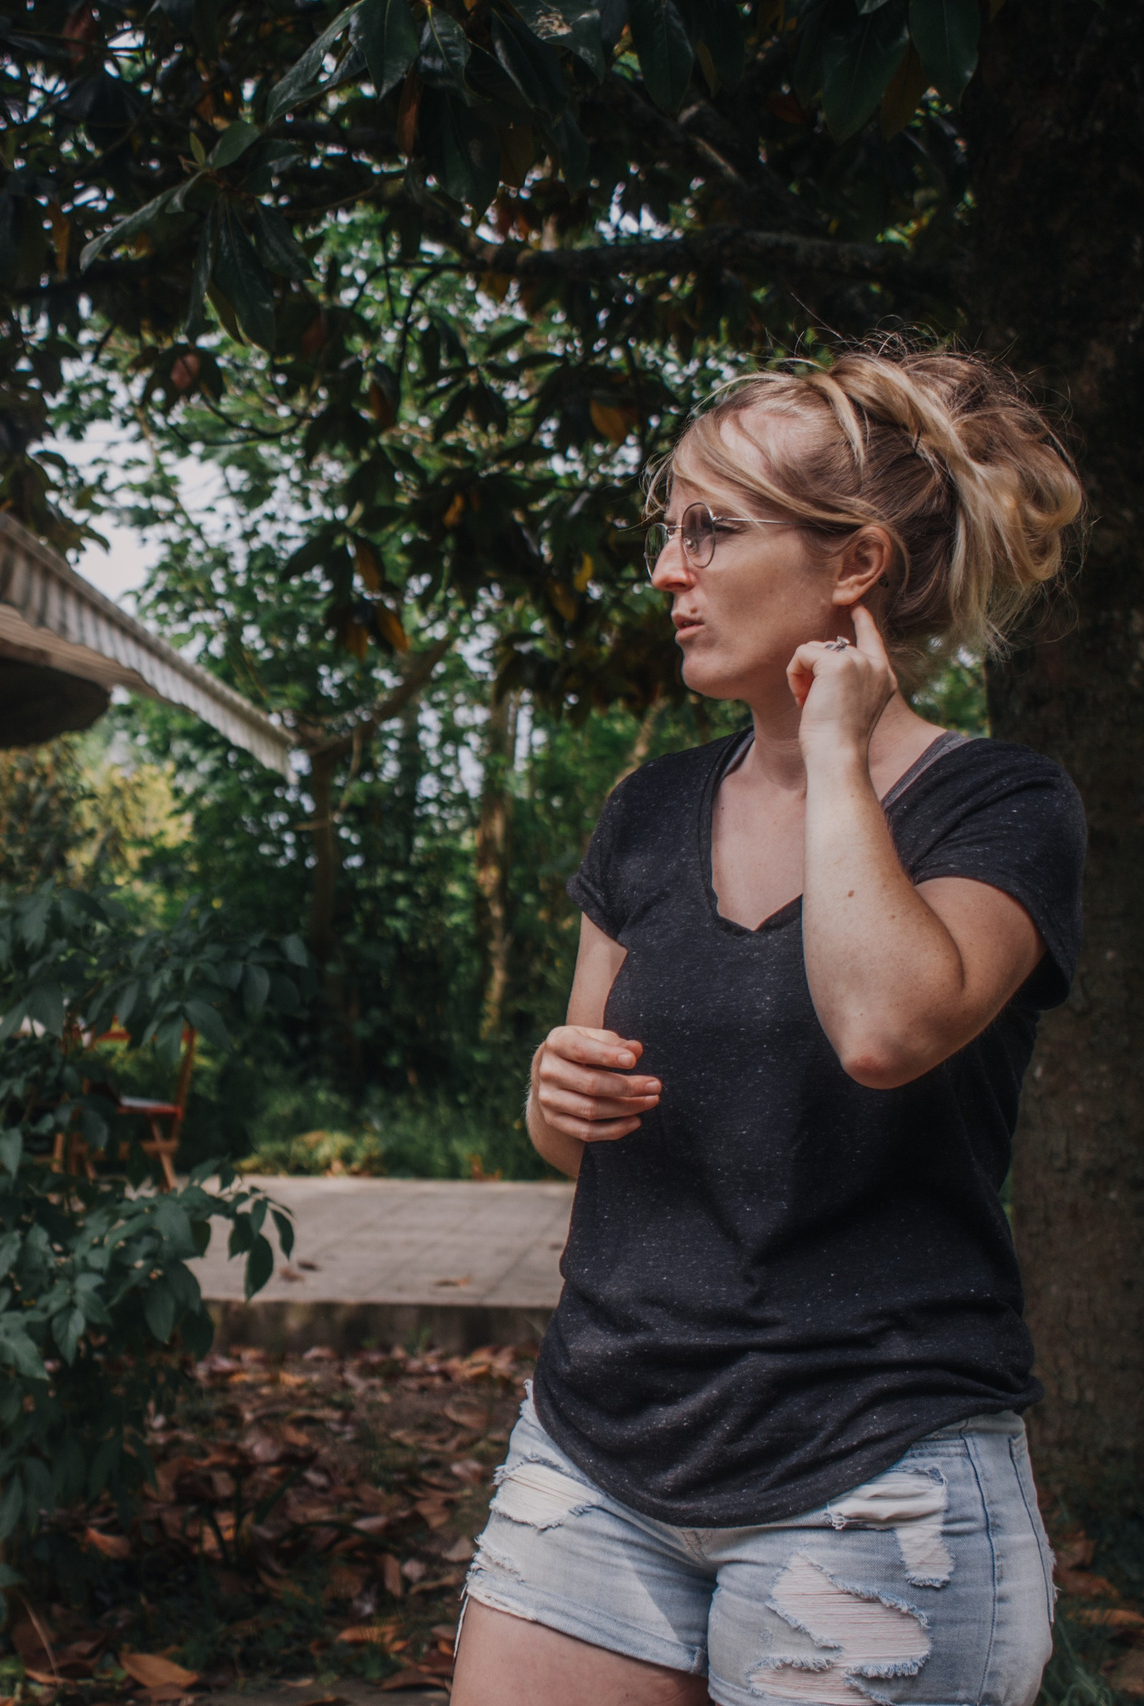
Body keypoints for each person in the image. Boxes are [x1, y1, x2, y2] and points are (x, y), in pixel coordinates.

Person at [450, 347, 1088, 1706]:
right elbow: (584, 1136)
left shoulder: (1004, 807)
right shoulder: (647, 812)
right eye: (666, 529)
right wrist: (554, 1100)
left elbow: (884, 1026)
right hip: (598, 1451)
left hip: (877, 1466)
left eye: (710, 528)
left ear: (853, 563)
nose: (666, 571)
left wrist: (840, 754)